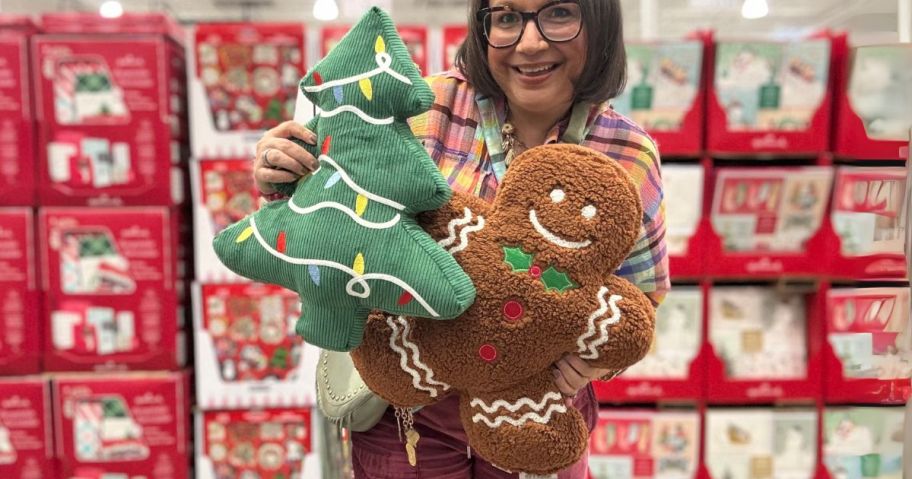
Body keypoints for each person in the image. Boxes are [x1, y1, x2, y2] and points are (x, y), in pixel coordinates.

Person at [253, 0, 669, 477]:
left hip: (534, 410)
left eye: (558, 14)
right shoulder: (421, 106)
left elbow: (642, 295)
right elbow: (335, 219)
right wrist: (287, 176)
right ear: (482, 25)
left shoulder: (628, 151)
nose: (530, 43)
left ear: (599, 22)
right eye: (507, 18)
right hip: (404, 405)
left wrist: (593, 366)